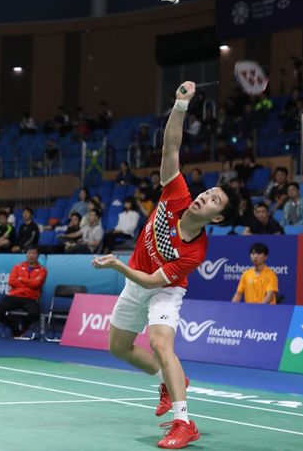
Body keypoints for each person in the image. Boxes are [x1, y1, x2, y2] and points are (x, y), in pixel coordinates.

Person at [92, 81, 240, 449]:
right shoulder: (176, 194)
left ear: (216, 219)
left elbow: (152, 280)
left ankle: (184, 421)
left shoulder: (194, 252)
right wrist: (180, 104)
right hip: (137, 280)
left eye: (213, 201)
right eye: (207, 192)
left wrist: (118, 266)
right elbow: (171, 146)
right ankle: (169, 379)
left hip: (163, 288)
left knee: (160, 342)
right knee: (119, 348)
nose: (204, 197)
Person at [0, 247, 47, 337]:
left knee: (34, 314)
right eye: (29, 253)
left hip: (31, 298)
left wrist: (21, 279)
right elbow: (11, 282)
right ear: (26, 254)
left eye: (33, 253)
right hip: (14, 296)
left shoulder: (42, 270)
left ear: (38, 256)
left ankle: (22, 327)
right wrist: (29, 282)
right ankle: (14, 325)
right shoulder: (17, 267)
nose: (31, 255)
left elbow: (37, 284)